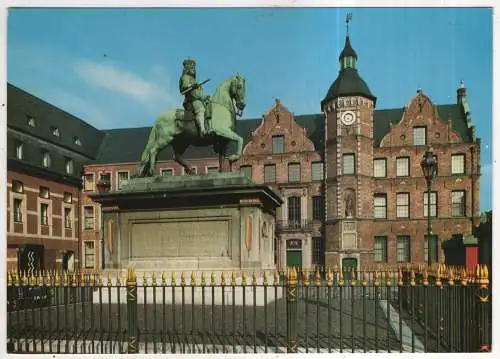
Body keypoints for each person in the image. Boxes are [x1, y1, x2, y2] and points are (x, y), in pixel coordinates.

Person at [179, 58, 211, 136]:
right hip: (191, 101)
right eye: (192, 67)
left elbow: (199, 93)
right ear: (187, 68)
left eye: (194, 67)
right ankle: (202, 130)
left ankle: (209, 127)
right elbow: (184, 87)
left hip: (198, 99)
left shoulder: (193, 79)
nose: (193, 69)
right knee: (200, 108)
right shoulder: (185, 77)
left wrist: (205, 97)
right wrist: (192, 85)